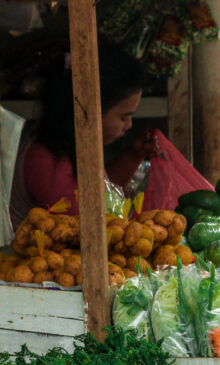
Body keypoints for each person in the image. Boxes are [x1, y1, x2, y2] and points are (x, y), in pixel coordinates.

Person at [8, 40, 161, 227]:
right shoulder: (50, 163)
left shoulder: (65, 147)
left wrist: (133, 155)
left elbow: (101, 196)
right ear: (89, 110)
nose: (129, 125)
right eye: (123, 117)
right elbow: (91, 231)